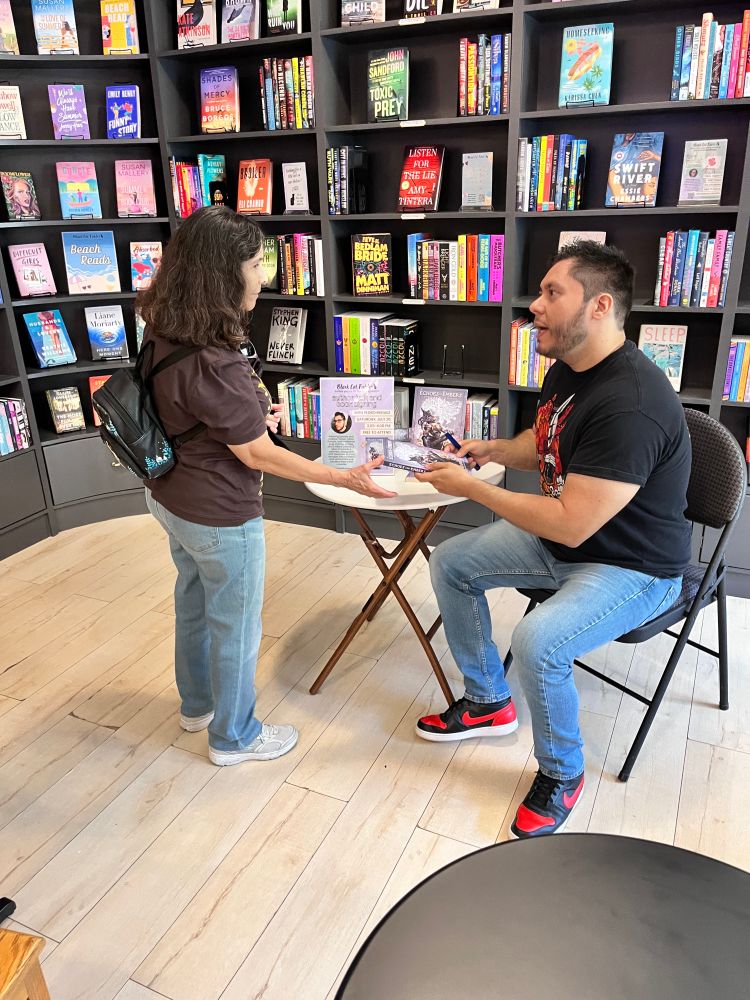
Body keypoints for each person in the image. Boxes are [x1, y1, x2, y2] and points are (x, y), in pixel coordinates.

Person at [412, 241, 691, 838]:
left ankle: (563, 772)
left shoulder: (632, 404)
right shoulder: (569, 366)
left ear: (599, 306)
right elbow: (547, 443)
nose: (533, 305)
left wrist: (473, 488)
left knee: (538, 641)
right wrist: (491, 450)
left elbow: (569, 520)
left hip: (633, 567)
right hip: (567, 544)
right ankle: (489, 700)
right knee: (452, 562)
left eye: (551, 293)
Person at [138, 206, 394, 767]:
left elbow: (197, 411)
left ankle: (198, 707)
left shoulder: (166, 326)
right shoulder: (216, 361)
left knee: (193, 602)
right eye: (255, 264)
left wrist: (251, 415)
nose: (264, 276)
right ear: (222, 274)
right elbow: (256, 453)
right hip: (220, 512)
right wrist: (341, 475)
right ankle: (234, 737)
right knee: (235, 625)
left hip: (171, 497)